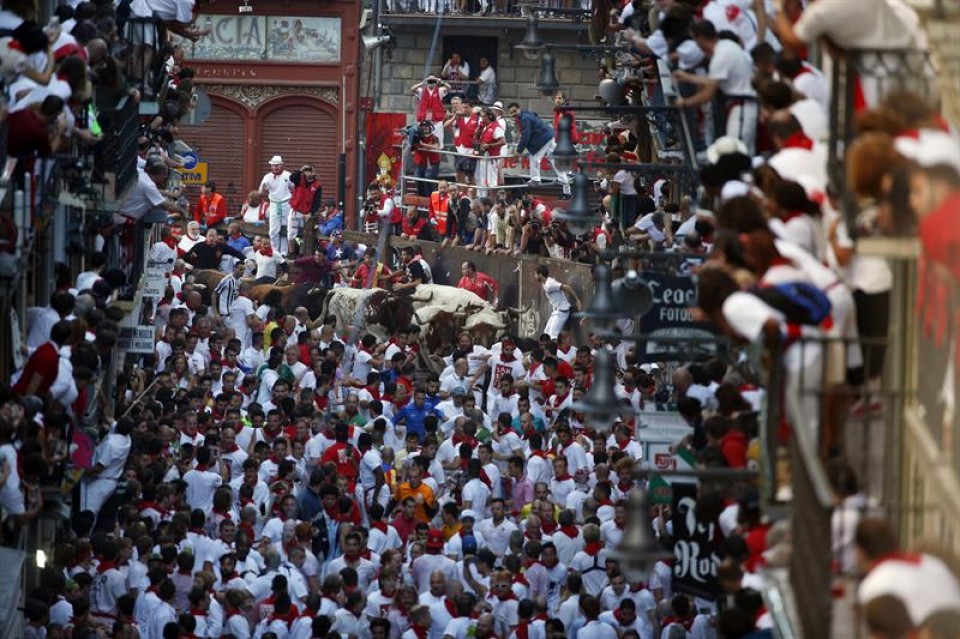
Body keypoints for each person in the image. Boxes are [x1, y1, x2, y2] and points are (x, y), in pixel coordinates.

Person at [674, 20, 758, 154]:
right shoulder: (726, 46)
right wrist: (687, 77)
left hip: (742, 105)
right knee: (740, 151)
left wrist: (684, 103)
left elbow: (707, 94)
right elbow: (713, 81)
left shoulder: (720, 56)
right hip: (740, 105)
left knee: (736, 151)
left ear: (700, 38)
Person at [508, 102, 570, 197]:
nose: (513, 114)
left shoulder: (525, 119)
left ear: (519, 108)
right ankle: (563, 180)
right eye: (511, 113)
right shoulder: (526, 115)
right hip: (549, 135)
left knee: (535, 157)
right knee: (554, 158)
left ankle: (536, 179)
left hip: (543, 138)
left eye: (514, 111)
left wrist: (518, 151)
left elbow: (526, 136)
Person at [259, 155, 294, 257]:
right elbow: (260, 192)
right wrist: (264, 189)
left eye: (277, 165)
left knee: (285, 229)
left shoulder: (288, 175)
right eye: (273, 166)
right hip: (274, 204)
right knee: (273, 230)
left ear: (281, 165)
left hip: (286, 203)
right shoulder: (267, 177)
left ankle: (283, 253)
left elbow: (293, 188)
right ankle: (274, 251)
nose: (275, 167)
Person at [534, 265, 582, 340]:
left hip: (562, 312)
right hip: (555, 311)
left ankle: (554, 351)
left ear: (540, 274)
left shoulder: (549, 285)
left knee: (553, 336)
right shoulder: (545, 282)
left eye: (536, 274)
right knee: (546, 334)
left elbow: (567, 287)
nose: (535, 276)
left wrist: (577, 300)